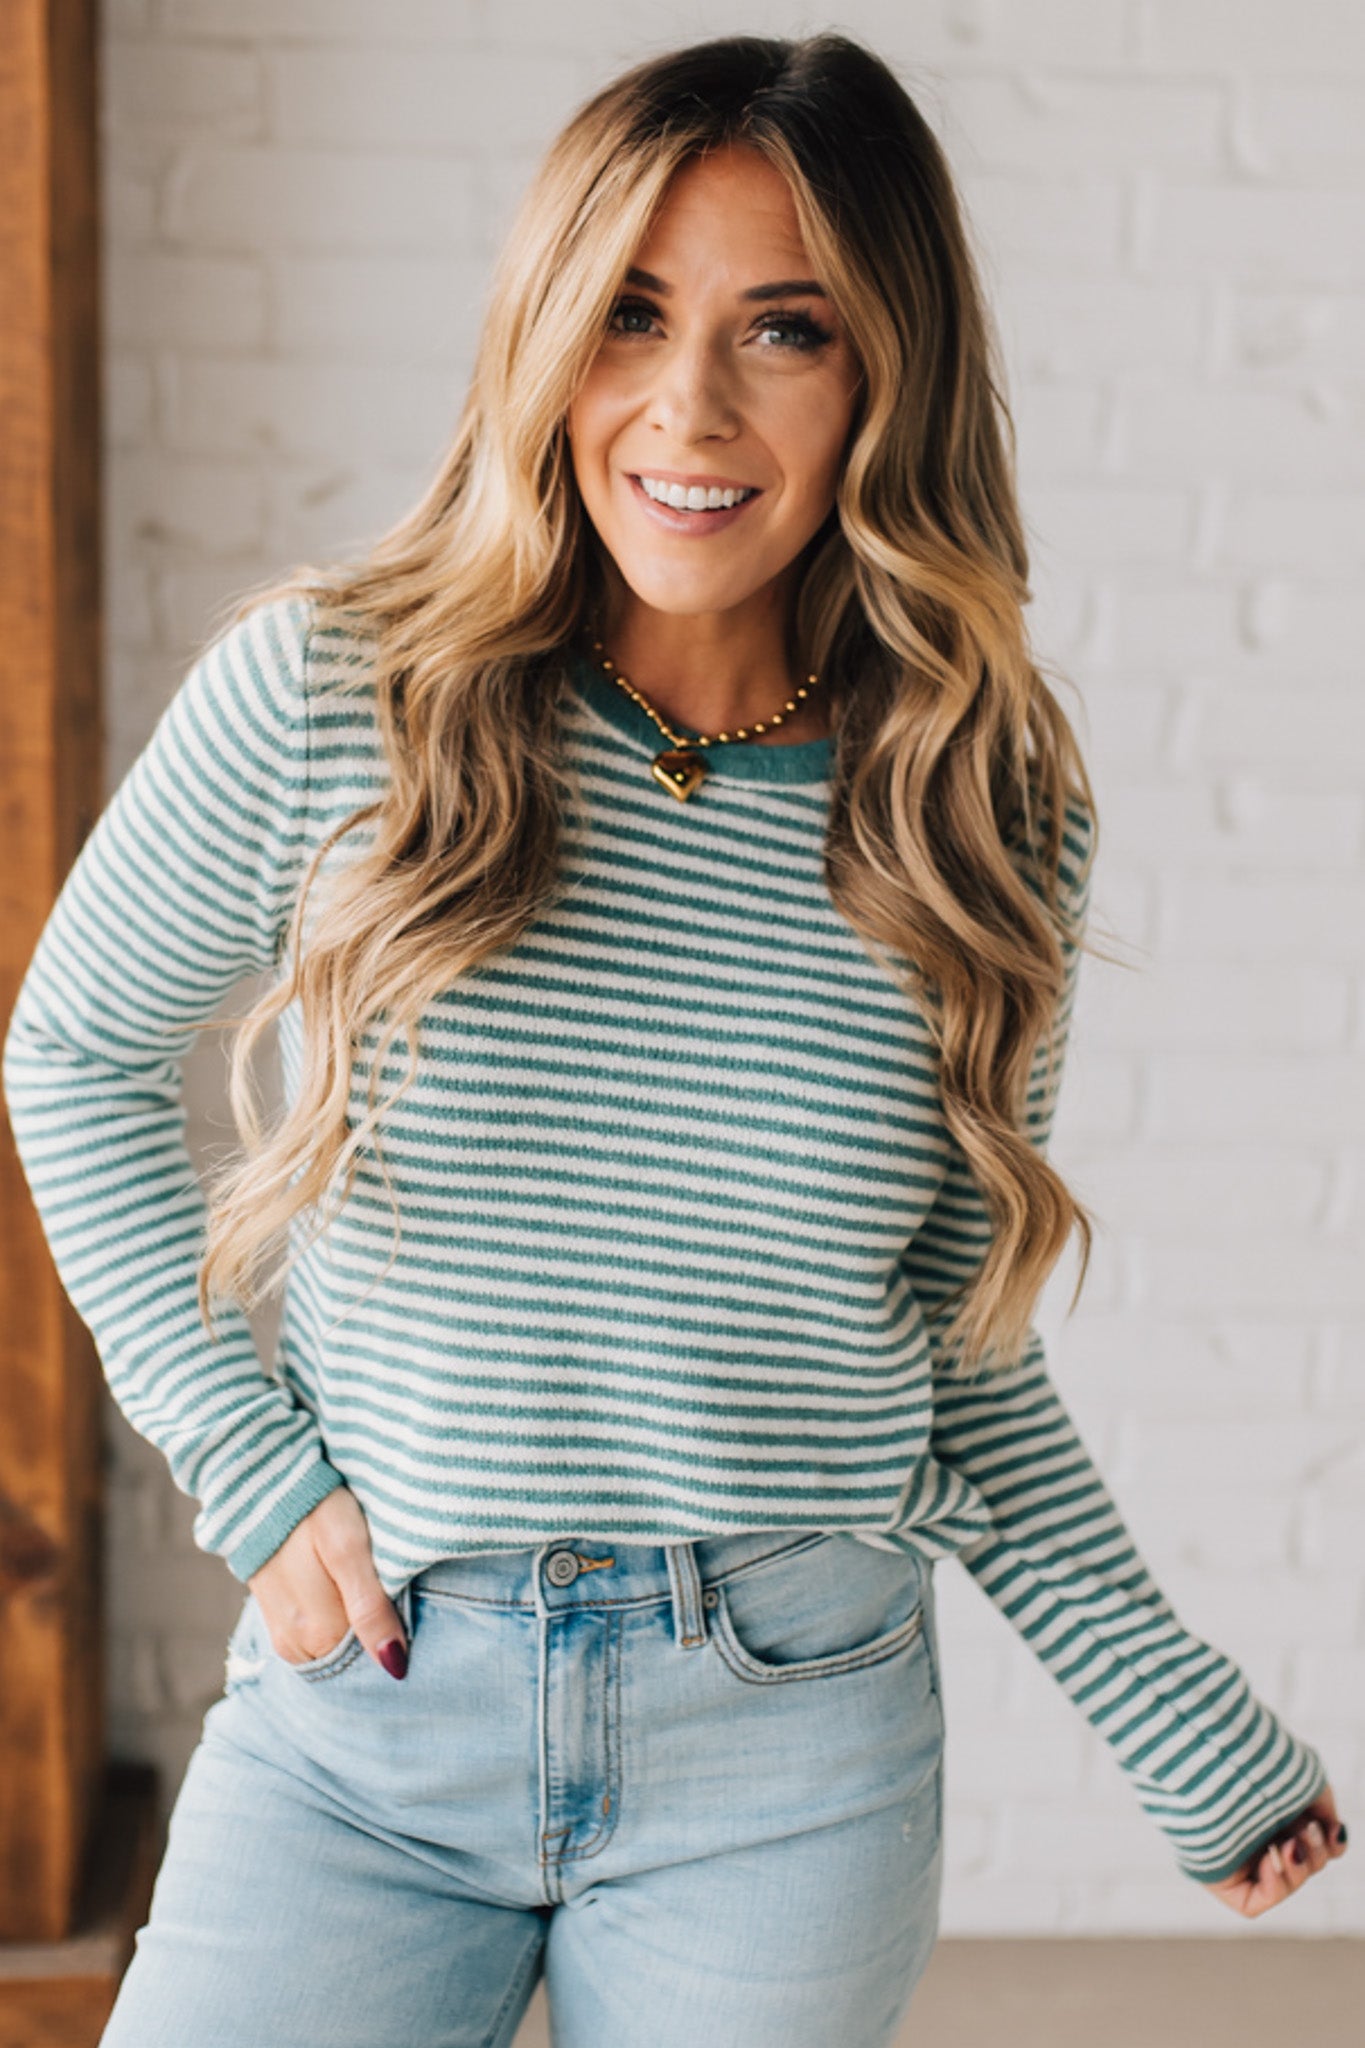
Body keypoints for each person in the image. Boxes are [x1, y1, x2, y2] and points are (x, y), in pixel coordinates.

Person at [2, 31, 1346, 2048]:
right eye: (627, 311)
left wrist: (1162, 1702)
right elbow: (73, 1056)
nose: (683, 406)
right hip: (373, 1714)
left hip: (787, 1746)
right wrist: (257, 1479)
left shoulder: (979, 818)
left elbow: (952, 1350)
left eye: (779, 329)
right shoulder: (331, 694)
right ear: (543, 328)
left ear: (881, 373)